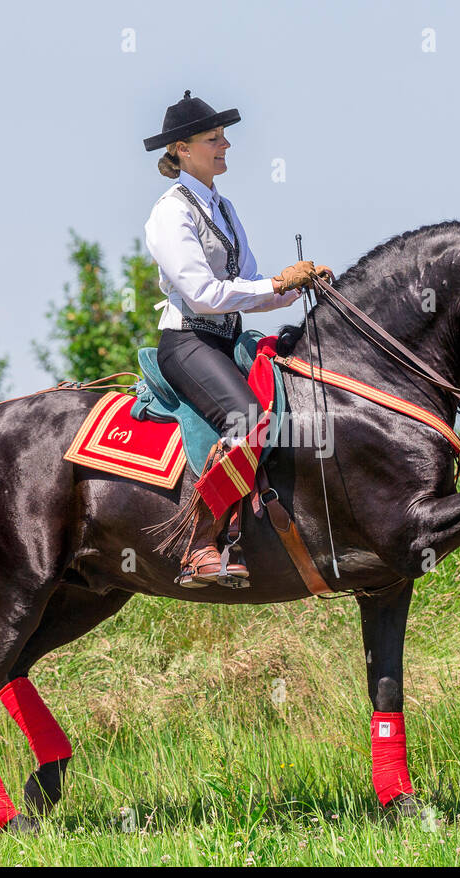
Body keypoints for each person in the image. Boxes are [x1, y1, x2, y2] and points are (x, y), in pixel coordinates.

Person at [143, 90, 331, 588]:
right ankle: (200, 546)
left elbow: (246, 290)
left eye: (224, 136)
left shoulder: (224, 209)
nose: (225, 145)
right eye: (214, 139)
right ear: (182, 150)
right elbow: (204, 295)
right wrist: (275, 283)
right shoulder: (169, 213)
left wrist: (295, 288)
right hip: (188, 343)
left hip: (229, 340)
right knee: (248, 418)